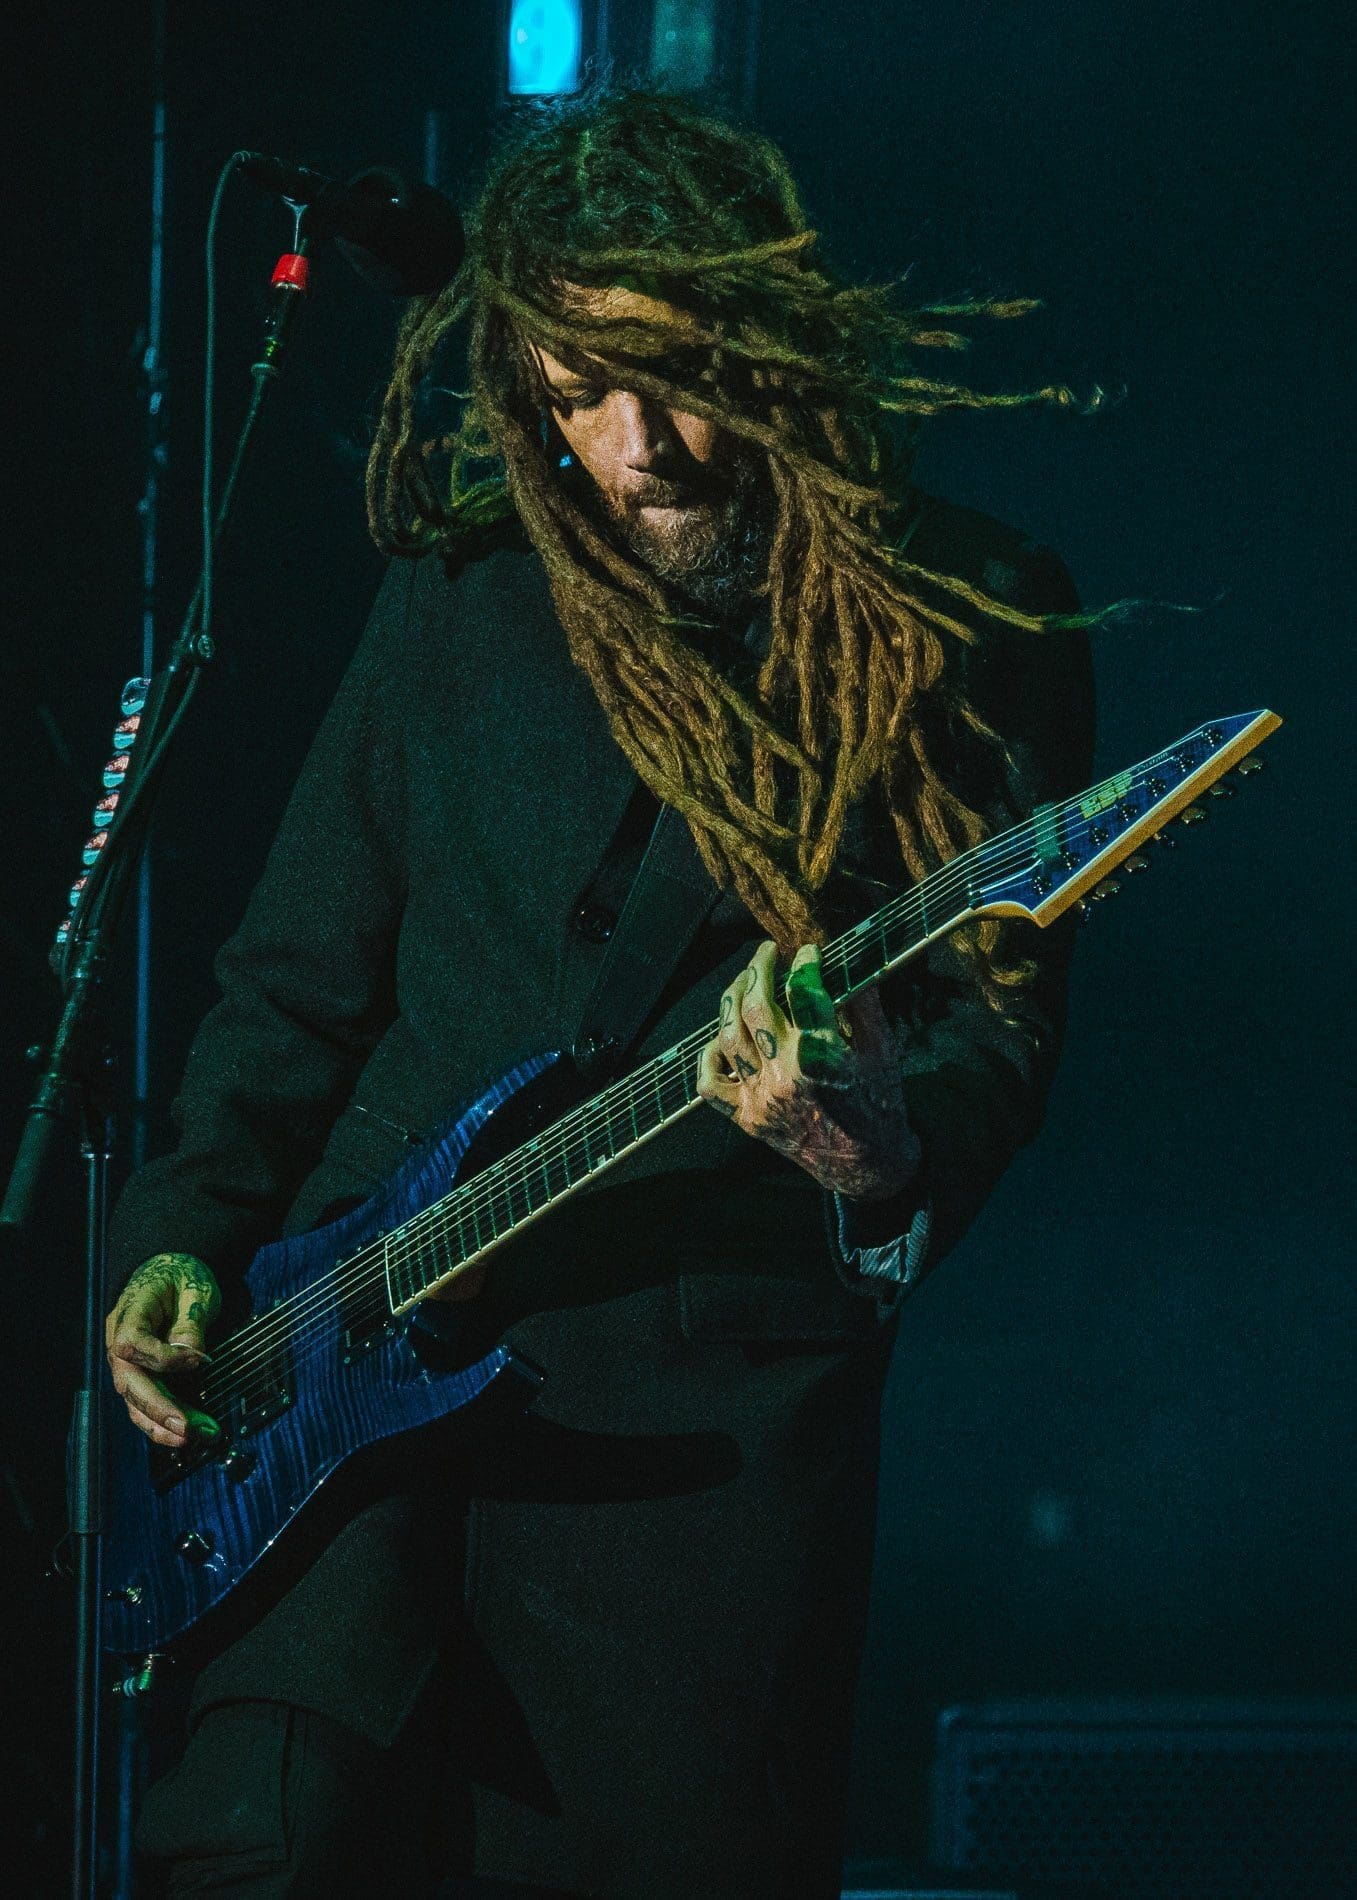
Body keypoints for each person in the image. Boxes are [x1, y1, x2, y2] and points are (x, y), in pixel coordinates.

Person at [104, 89, 1096, 1899]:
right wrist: (181, 1236)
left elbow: (992, 1037)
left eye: (678, 376)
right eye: (577, 393)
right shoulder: (464, 590)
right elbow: (293, 981)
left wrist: (876, 1149)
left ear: (768, 340)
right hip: (338, 1420)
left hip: (686, 1478)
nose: (636, 448)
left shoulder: (962, 618)